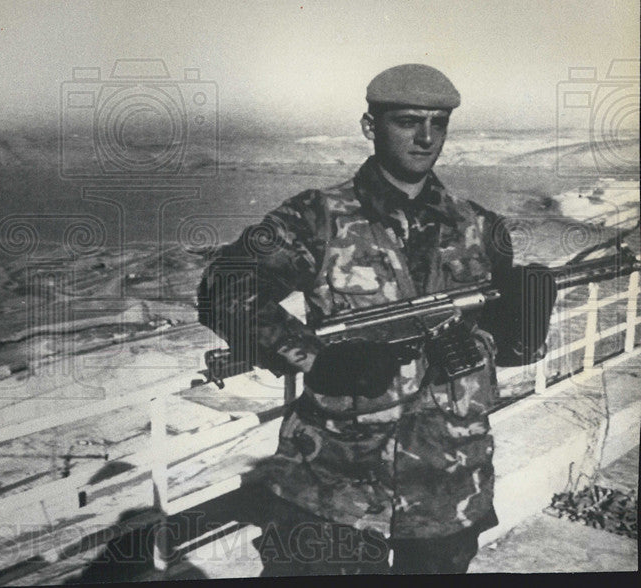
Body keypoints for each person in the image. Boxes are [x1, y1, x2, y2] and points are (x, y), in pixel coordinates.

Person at [197, 64, 556, 574]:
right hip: (332, 485)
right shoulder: (317, 218)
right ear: (371, 127)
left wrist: (527, 319)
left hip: (447, 486)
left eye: (438, 122)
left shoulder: (481, 227)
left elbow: (507, 346)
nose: (426, 136)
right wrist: (313, 358)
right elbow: (223, 287)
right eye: (408, 121)